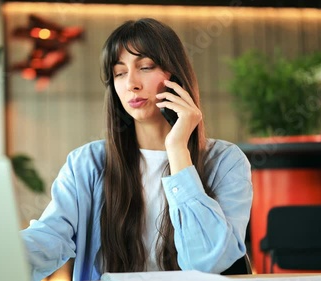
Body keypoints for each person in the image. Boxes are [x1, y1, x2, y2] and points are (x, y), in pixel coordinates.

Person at [20, 18, 253, 281]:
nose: (131, 83)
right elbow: (50, 237)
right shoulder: (86, 163)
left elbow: (209, 263)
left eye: (145, 67)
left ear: (175, 75)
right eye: (119, 73)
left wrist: (177, 149)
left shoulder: (226, 162)